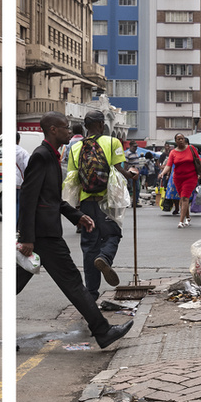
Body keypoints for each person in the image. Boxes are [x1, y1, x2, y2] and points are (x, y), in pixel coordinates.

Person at [18, 112, 133, 349]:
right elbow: (28, 198)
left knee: (16, 283)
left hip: (45, 233)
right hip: (43, 235)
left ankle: (102, 331)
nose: (69, 131)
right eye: (64, 127)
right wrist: (26, 237)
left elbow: (51, 199)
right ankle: (103, 331)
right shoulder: (41, 156)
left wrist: (78, 216)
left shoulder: (52, 155)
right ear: (52, 130)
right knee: (72, 282)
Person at [66, 110, 137, 302]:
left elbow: (72, 180)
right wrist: (131, 173)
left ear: (86, 125)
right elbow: (119, 171)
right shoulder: (113, 142)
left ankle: (91, 294)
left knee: (89, 246)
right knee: (113, 234)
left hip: (86, 203)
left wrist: (75, 210)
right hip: (107, 201)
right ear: (100, 124)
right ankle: (105, 258)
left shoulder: (75, 147)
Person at [157, 133, 201, 229]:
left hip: (190, 177)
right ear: (175, 141)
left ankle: (180, 221)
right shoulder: (173, 153)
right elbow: (168, 165)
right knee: (183, 199)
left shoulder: (191, 148)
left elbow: (199, 162)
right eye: (178, 139)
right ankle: (188, 217)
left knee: (185, 198)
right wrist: (162, 173)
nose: (181, 140)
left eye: (182, 138)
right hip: (178, 179)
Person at [15, 132, 30, 223]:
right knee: (18, 204)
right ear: (18, 140)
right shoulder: (23, 152)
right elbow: (27, 167)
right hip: (19, 182)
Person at [124, 141, 143, 207]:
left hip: (137, 173)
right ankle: (126, 202)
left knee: (137, 188)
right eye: (134, 146)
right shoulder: (127, 153)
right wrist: (126, 174)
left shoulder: (136, 153)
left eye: (136, 146)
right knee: (129, 188)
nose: (136, 148)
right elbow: (125, 164)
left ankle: (135, 202)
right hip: (131, 173)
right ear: (130, 146)